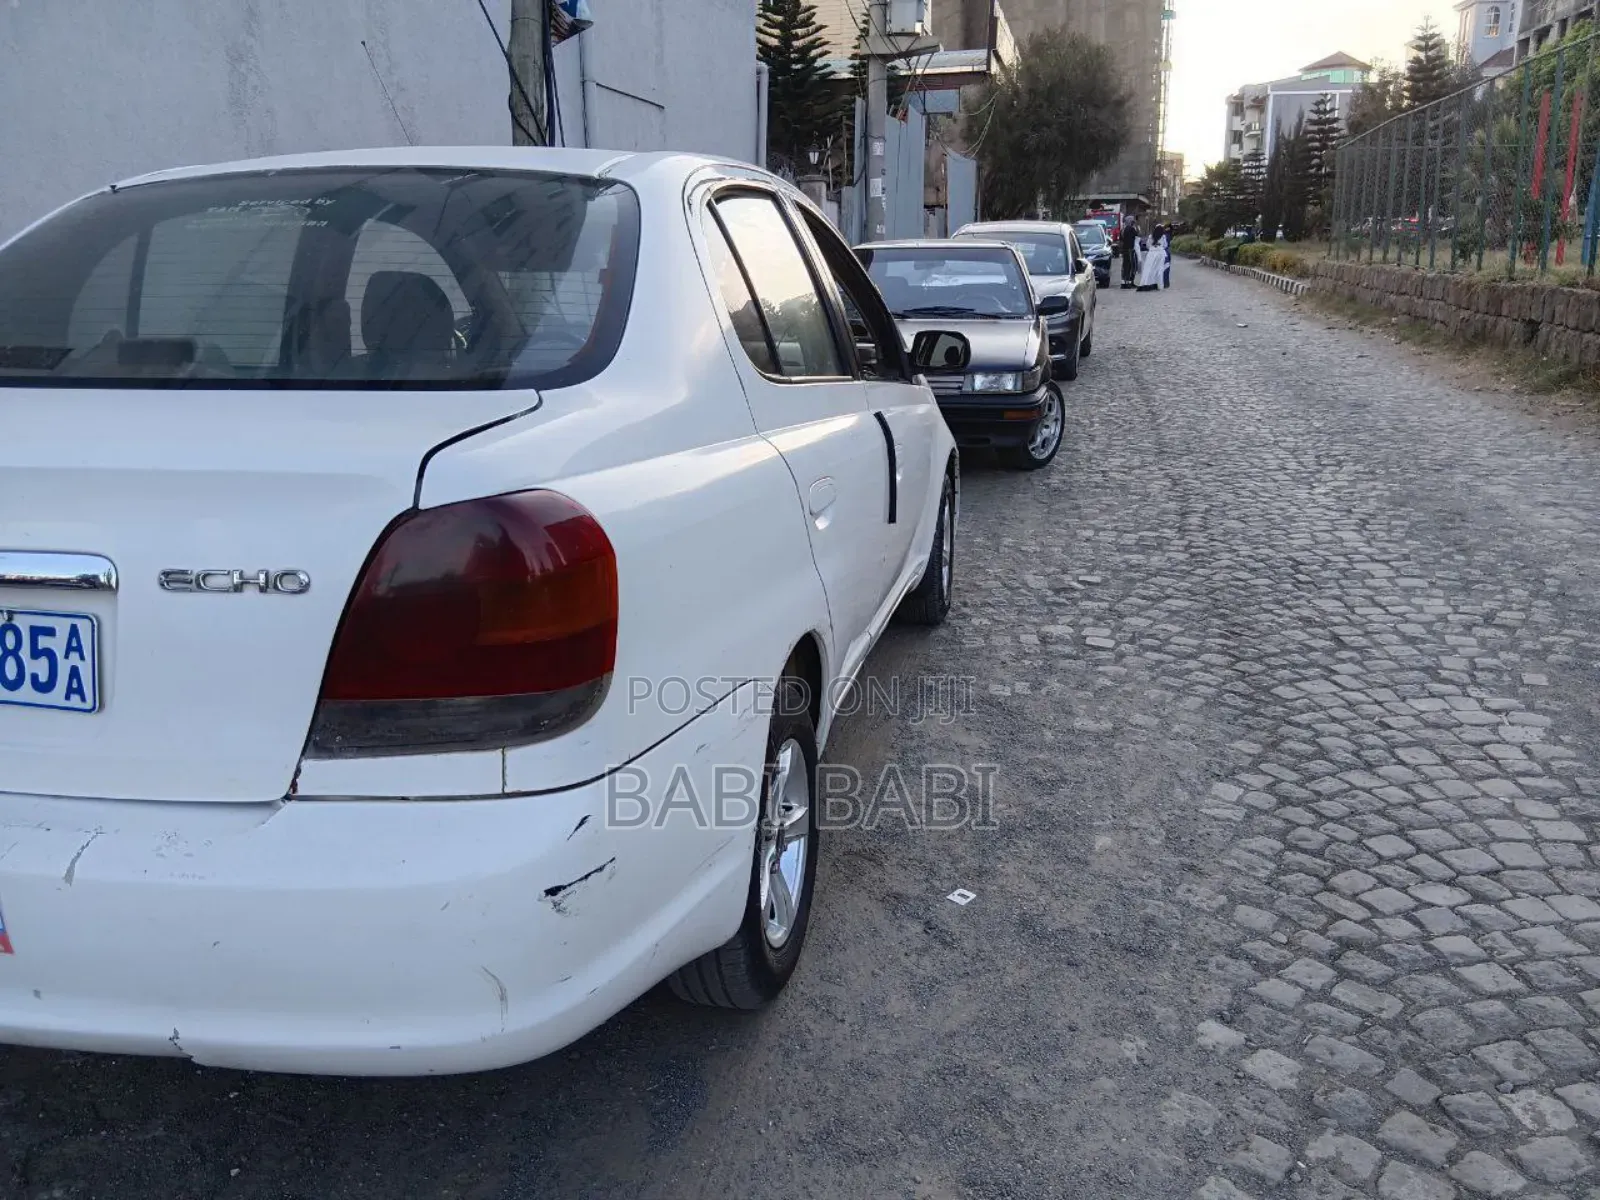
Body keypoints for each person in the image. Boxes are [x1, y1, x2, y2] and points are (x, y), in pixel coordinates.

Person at [1118, 216, 1138, 289]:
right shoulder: (1131, 229)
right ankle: (1129, 282)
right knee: (1131, 266)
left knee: (1124, 266)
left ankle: (1123, 282)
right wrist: (1135, 227)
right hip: (1130, 249)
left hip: (1124, 249)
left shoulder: (1122, 230)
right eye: (1133, 221)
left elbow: (1120, 240)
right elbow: (1137, 235)